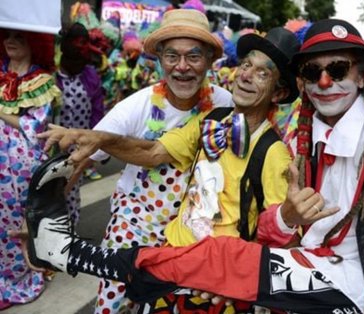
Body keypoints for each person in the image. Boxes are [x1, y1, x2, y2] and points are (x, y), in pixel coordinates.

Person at [25, 19, 364, 314]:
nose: (325, 82)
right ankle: (64, 250)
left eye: (338, 69)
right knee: (202, 262)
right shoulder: (292, 135)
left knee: (215, 261)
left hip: (358, 295)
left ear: (362, 75)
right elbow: (275, 225)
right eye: (313, 73)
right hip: (292, 268)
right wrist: (290, 218)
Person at [33, 25, 299, 314]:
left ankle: (68, 252)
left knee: (128, 266)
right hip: (171, 249)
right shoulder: (213, 117)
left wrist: (249, 285)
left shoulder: (274, 153)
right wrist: (99, 138)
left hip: (213, 279)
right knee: (125, 281)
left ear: (279, 92)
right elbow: (154, 151)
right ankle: (65, 251)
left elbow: (277, 234)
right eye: (246, 65)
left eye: (263, 72)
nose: (246, 75)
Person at [73, 9, 232, 314]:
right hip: (136, 223)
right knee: (116, 301)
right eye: (172, 56)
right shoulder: (133, 107)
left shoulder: (226, 104)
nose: (182, 67)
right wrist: (41, 218)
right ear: (159, 59)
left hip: (194, 231)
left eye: (194, 56)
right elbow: (82, 159)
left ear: (210, 60)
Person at [0, 29, 61, 309]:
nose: (10, 41)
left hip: (19, 168)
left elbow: (34, 127)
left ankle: (14, 279)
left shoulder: (42, 81)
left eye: (19, 37)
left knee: (14, 224)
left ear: (34, 43)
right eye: (7, 36)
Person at [56, 22, 105, 224]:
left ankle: (68, 234)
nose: (80, 48)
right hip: (51, 146)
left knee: (71, 192)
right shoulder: (50, 76)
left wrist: (98, 144)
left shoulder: (90, 76)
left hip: (79, 147)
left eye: (84, 43)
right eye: (76, 43)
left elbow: (97, 112)